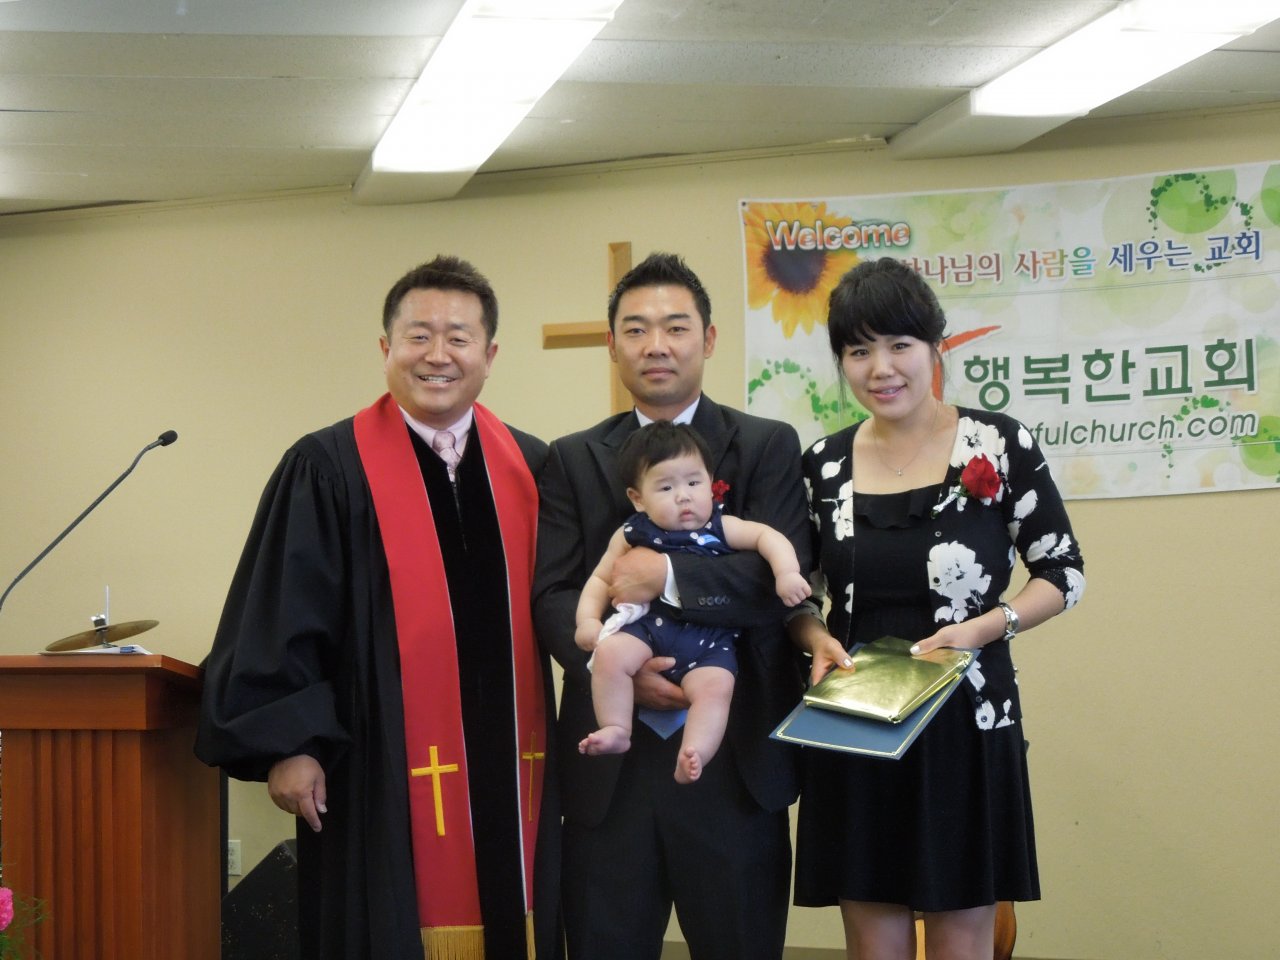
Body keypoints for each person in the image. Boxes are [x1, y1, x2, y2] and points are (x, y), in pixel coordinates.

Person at [195, 255, 561, 960]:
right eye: (418, 335)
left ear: (489, 356)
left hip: (517, 764)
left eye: (458, 337)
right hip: (375, 768)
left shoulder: (533, 467)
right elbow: (282, 612)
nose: (437, 354)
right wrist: (291, 745)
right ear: (386, 347)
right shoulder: (328, 467)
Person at [787, 257, 1086, 960]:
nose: (880, 368)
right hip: (857, 719)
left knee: (962, 936)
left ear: (934, 347)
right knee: (874, 939)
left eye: (899, 345)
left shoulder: (999, 443)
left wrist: (985, 628)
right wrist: (811, 637)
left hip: (967, 720)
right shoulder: (823, 464)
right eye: (858, 351)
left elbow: (1063, 572)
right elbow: (798, 593)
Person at [533, 252, 810, 960]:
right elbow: (553, 593)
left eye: (676, 327)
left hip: (734, 757)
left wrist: (666, 575)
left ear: (708, 339)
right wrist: (619, 670)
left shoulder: (765, 444)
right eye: (636, 329)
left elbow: (778, 583)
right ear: (613, 344)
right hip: (610, 769)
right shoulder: (571, 457)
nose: (656, 345)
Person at [575, 420, 811, 784]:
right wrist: (587, 621)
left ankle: (695, 752)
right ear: (637, 498)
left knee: (716, 689)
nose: (683, 496)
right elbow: (601, 579)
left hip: (710, 642)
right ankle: (616, 728)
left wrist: (787, 573)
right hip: (647, 631)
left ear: (710, 482)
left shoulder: (721, 526)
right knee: (609, 655)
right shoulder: (632, 532)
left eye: (693, 483)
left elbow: (768, 537)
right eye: (666, 487)